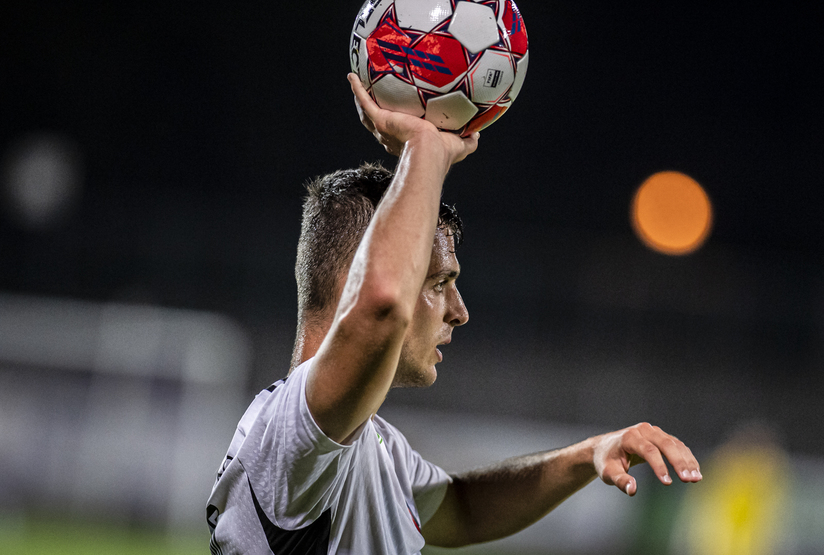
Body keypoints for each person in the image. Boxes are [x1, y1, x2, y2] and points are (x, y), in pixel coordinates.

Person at [205, 74, 702, 554]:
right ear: (354, 285)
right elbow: (382, 306)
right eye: (438, 283)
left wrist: (589, 454)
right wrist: (425, 147)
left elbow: (464, 510)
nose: (460, 312)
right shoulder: (292, 431)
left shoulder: (361, 443)